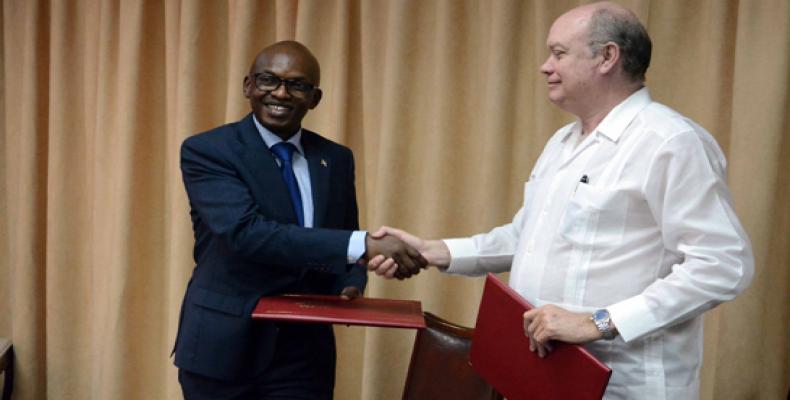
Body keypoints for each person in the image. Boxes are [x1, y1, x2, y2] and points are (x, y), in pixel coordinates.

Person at [368, 2, 754, 399]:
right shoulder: (562, 143)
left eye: (559, 53)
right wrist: (434, 251)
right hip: (543, 374)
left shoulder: (671, 142)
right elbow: (526, 237)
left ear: (607, 57)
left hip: (625, 385)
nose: (545, 66)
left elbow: (723, 264)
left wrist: (599, 322)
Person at [173, 40, 426, 400]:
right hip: (224, 347)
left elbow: (343, 233)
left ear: (315, 98)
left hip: (303, 354)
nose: (281, 92)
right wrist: (364, 245)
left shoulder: (336, 158)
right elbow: (247, 233)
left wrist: (351, 279)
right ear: (248, 86)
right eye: (268, 80)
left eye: (297, 85)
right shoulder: (208, 150)